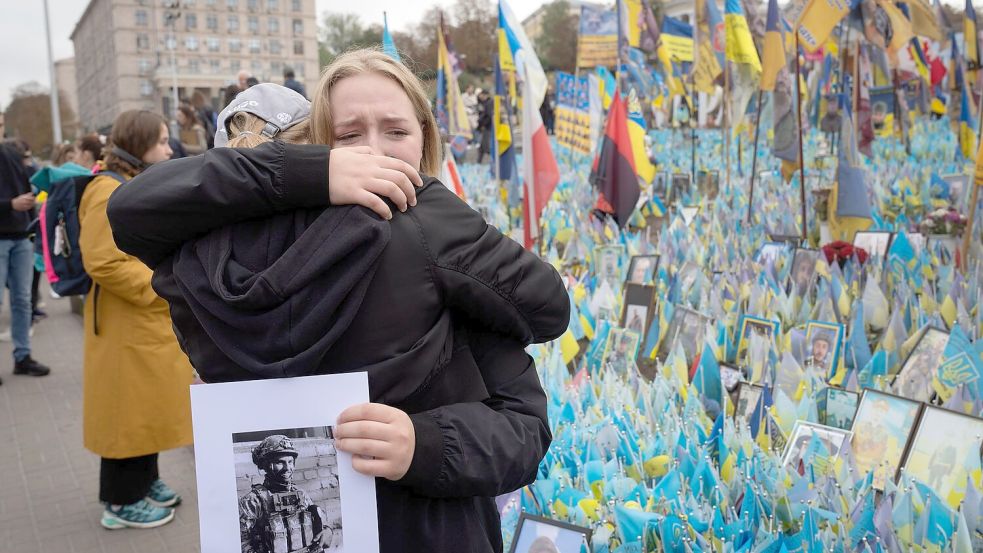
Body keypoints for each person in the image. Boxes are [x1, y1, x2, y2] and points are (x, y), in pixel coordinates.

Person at [108, 53, 567, 553]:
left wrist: (423, 444)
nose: (374, 154)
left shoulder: (447, 252)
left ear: (425, 135)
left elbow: (522, 427)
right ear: (320, 148)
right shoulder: (430, 226)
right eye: (349, 137)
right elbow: (543, 333)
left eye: (395, 131)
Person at [80, 109, 192, 530]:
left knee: (145, 410)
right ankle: (121, 500)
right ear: (139, 143)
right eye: (162, 141)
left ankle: (147, 481)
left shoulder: (128, 183)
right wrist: (164, 286)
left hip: (139, 320)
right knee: (126, 414)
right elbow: (103, 262)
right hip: (125, 322)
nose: (168, 149)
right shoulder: (106, 189)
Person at [0, 140, 50, 381]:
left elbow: (27, 191)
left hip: (21, 237)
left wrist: (33, 228)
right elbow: (16, 199)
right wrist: (10, 205)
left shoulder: (11, 154)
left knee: (23, 299)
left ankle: (23, 356)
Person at [239, 435, 330, 553]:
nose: (288, 468)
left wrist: (328, 531)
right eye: (280, 462)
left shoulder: (300, 494)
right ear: (265, 465)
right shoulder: (253, 501)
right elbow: (242, 542)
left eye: (290, 461)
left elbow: (319, 521)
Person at [475, 88, 493, 163]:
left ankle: (493, 161)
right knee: (482, 147)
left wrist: (483, 124)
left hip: (487, 127)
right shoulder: (485, 102)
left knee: (486, 147)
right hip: (485, 126)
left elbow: (489, 116)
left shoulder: (488, 103)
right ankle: (479, 161)